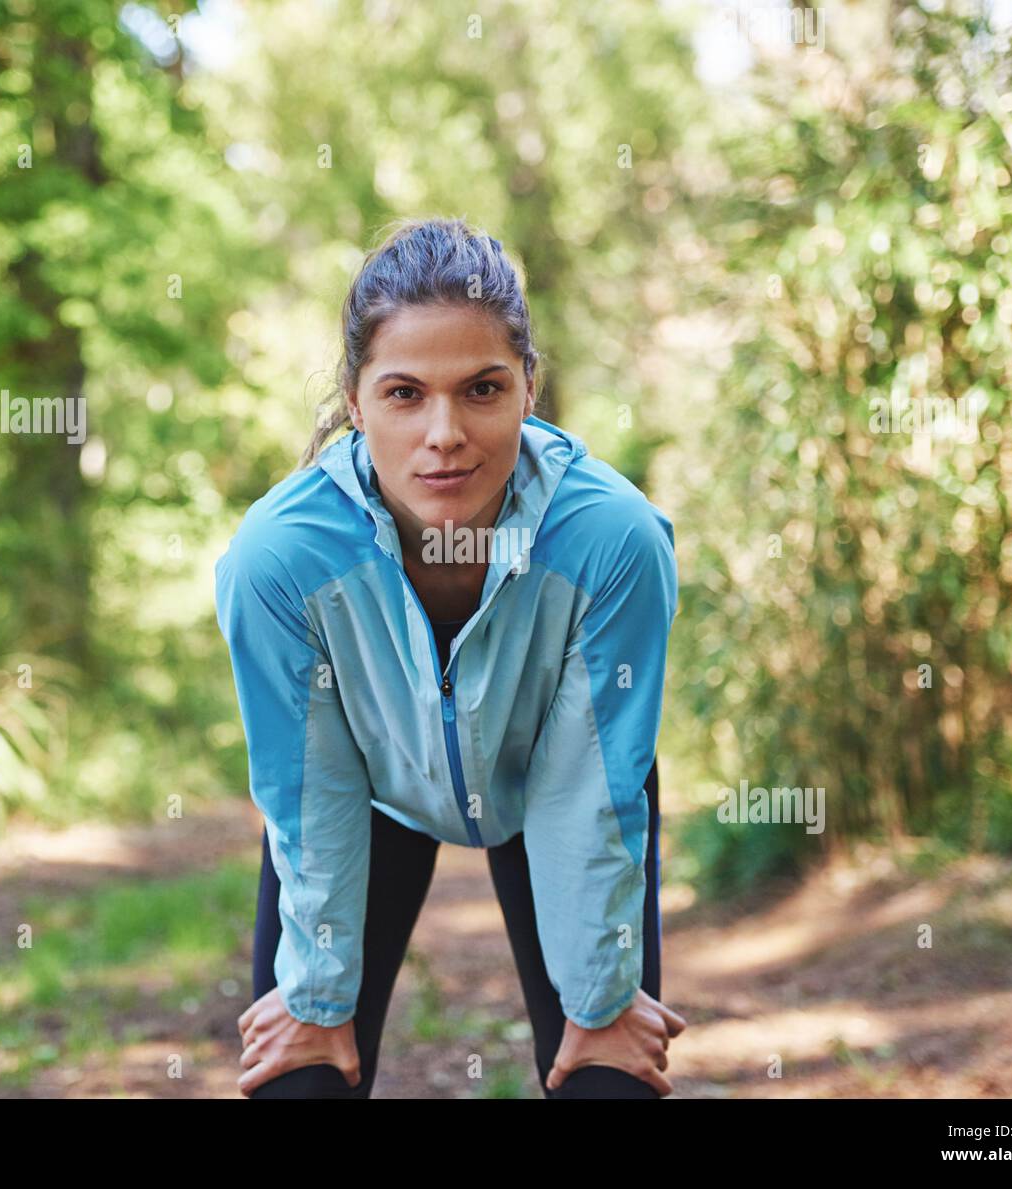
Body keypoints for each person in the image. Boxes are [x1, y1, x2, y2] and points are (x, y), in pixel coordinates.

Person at [215, 216, 685, 1099]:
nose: (445, 433)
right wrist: (316, 996)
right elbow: (310, 784)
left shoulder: (613, 540)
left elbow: (587, 785)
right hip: (365, 786)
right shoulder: (279, 558)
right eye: (403, 394)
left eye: (481, 389)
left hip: (554, 779)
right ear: (355, 402)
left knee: (608, 1079)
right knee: (299, 1078)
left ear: (528, 390)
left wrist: (601, 1000)